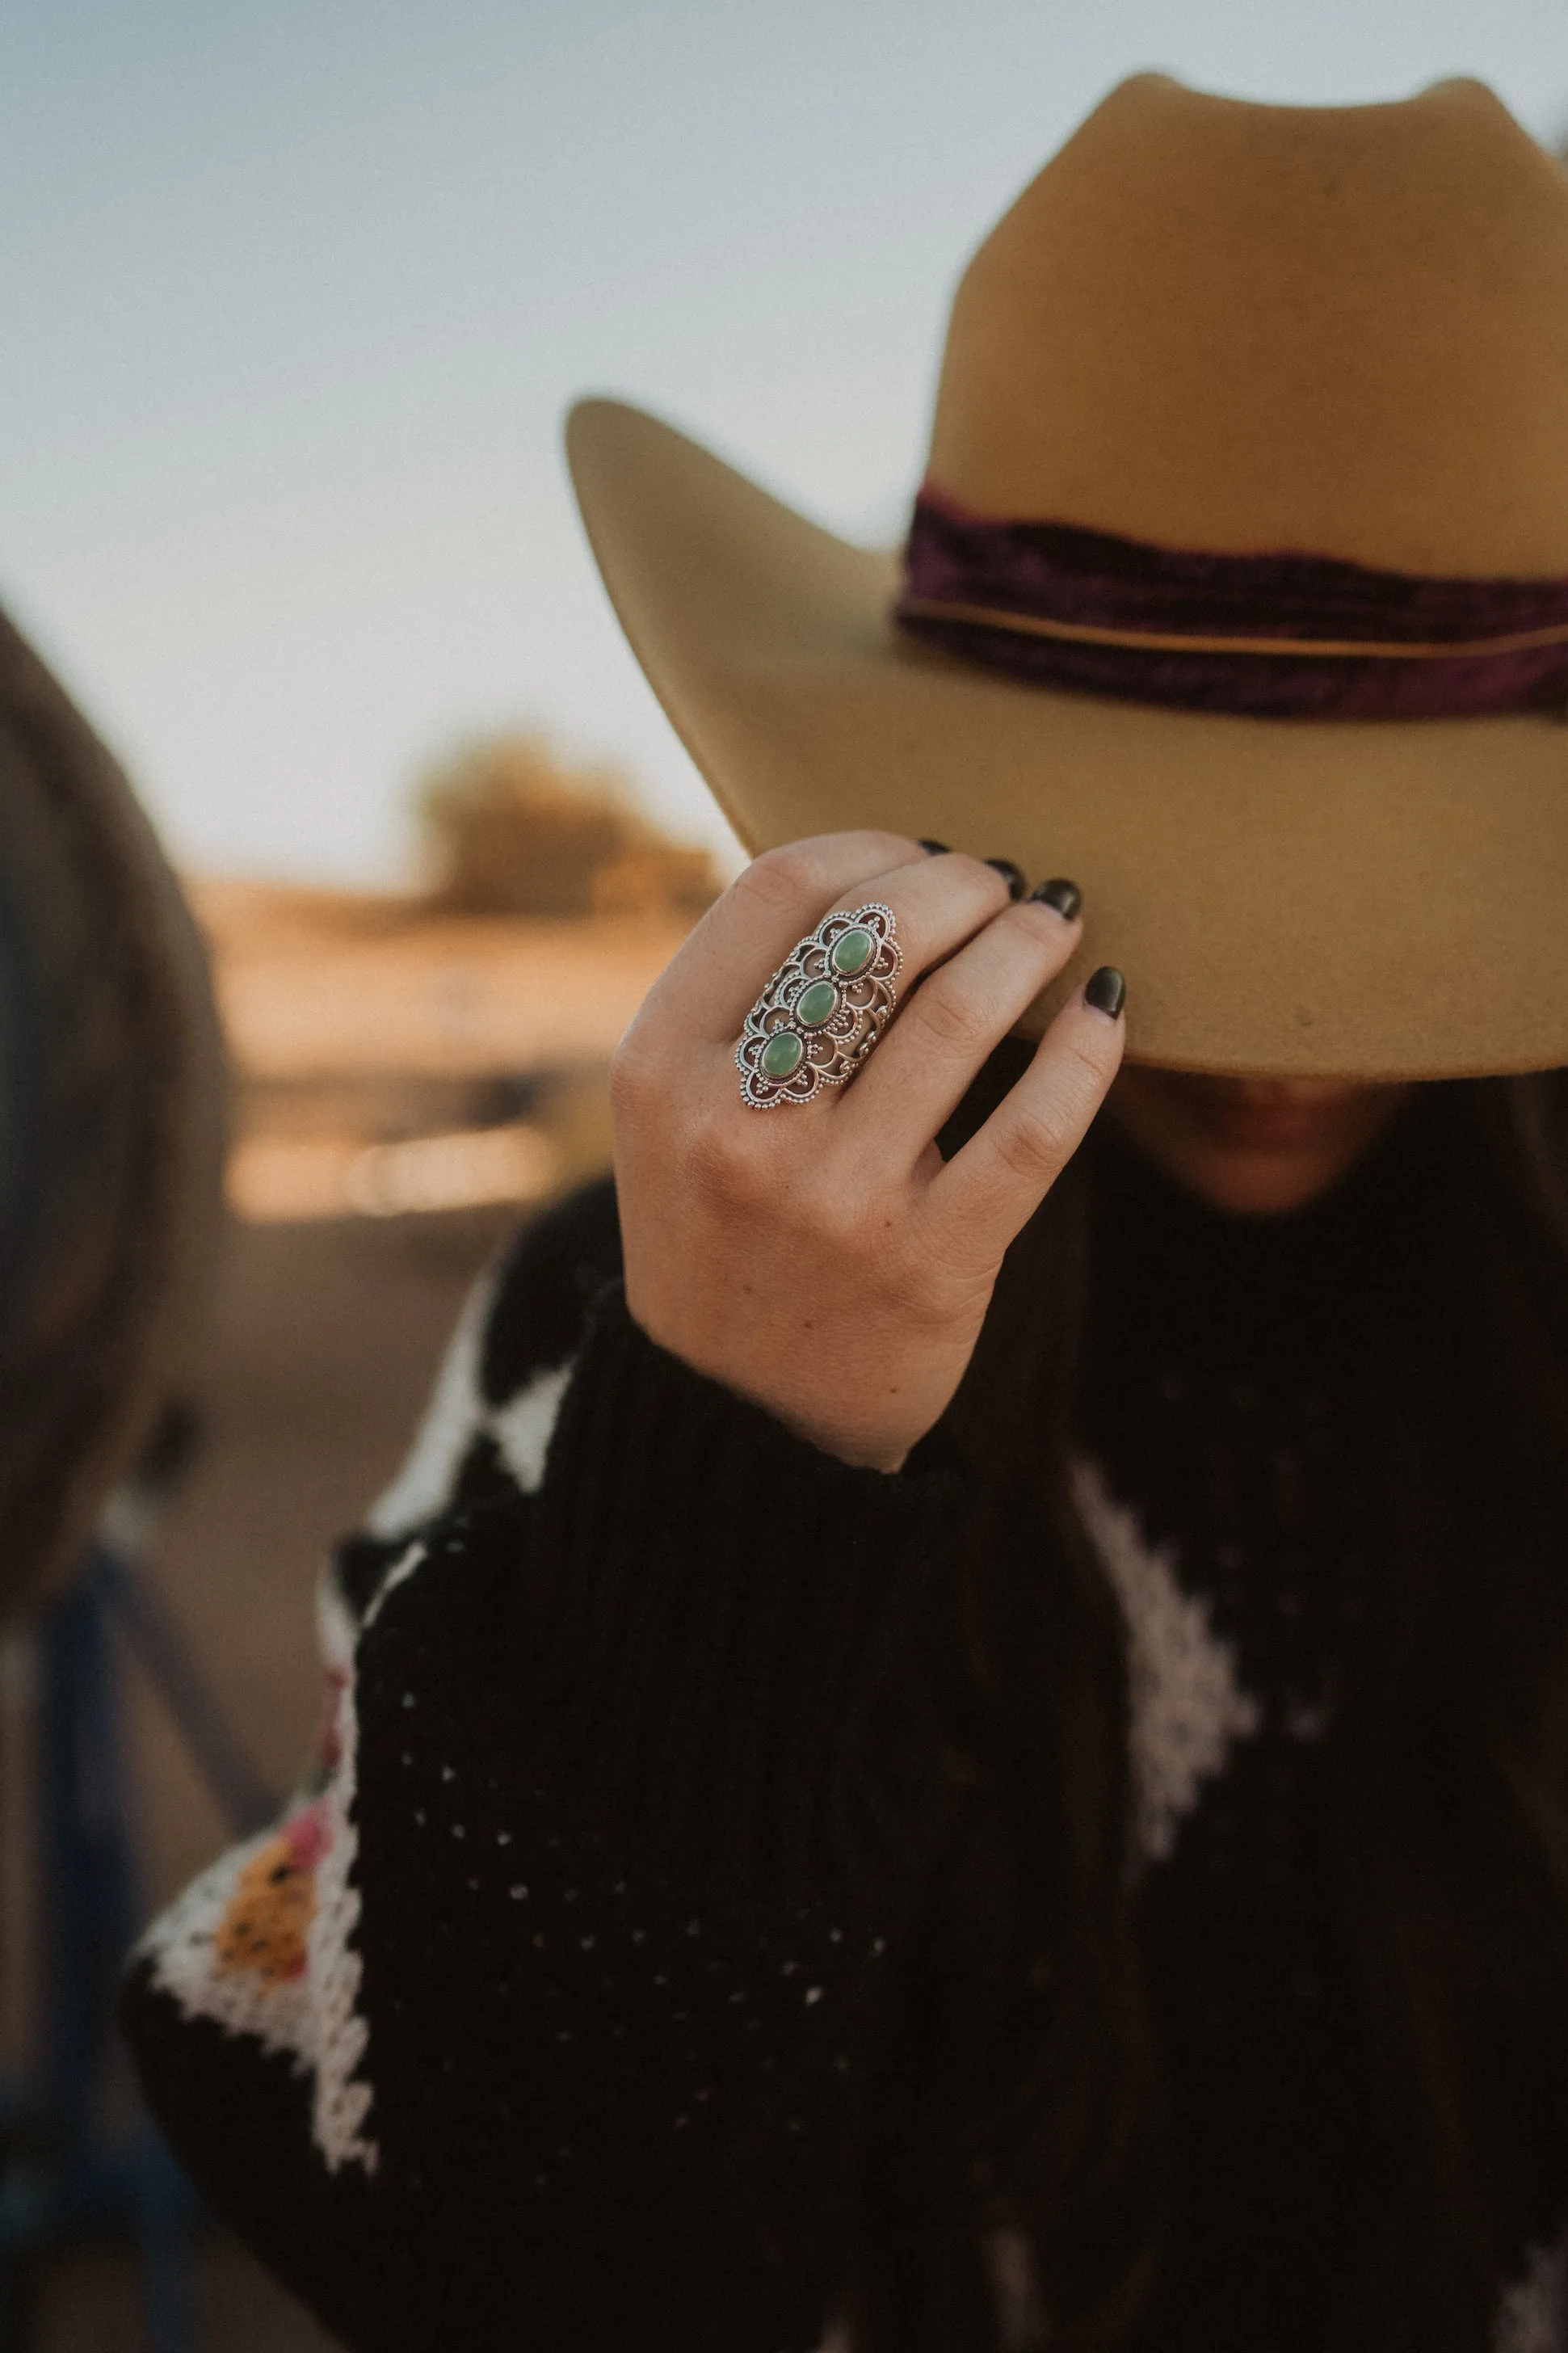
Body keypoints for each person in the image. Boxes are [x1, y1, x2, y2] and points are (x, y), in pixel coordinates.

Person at [123, 74, 1568, 2353]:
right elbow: (494, 2260)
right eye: (1198, 897)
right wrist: (727, 1469)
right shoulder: (624, 1314)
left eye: (1423, 926)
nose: (1297, 1047)